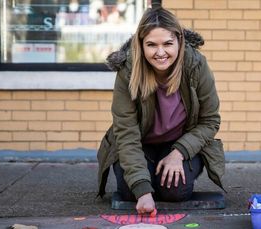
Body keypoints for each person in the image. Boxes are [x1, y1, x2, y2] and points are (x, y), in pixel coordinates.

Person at [97, 6, 225, 215]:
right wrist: (142, 189)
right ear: (141, 45)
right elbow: (126, 132)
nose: (160, 52)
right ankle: (145, 176)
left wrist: (179, 153)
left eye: (167, 43)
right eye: (151, 45)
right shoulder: (127, 71)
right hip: (140, 143)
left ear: (179, 41)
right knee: (132, 191)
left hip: (179, 143)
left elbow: (210, 120)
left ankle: (168, 167)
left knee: (175, 191)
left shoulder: (195, 65)